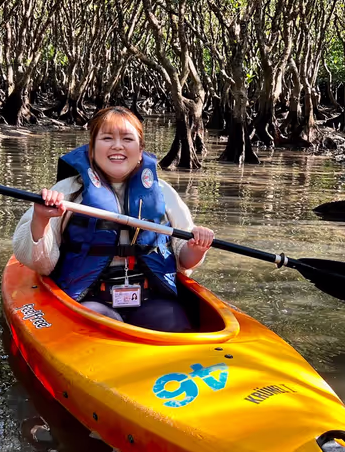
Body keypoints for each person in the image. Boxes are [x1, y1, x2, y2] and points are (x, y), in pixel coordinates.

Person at [12, 107, 215, 332]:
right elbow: (40, 264)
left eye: (127, 139)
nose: (117, 146)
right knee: (94, 328)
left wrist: (197, 248)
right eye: (107, 138)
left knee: (177, 326)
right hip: (88, 300)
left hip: (151, 298)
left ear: (140, 151)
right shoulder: (67, 192)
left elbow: (184, 260)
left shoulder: (163, 193)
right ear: (92, 149)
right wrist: (41, 219)